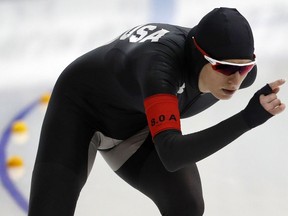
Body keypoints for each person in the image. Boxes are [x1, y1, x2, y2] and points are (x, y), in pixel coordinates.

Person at [28, 7, 285, 216]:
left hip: (136, 120)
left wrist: (237, 72)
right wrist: (247, 119)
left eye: (244, 68)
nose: (235, 80)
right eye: (225, 68)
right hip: (80, 110)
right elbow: (172, 154)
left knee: (187, 205)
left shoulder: (241, 76)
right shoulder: (160, 69)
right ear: (199, 57)